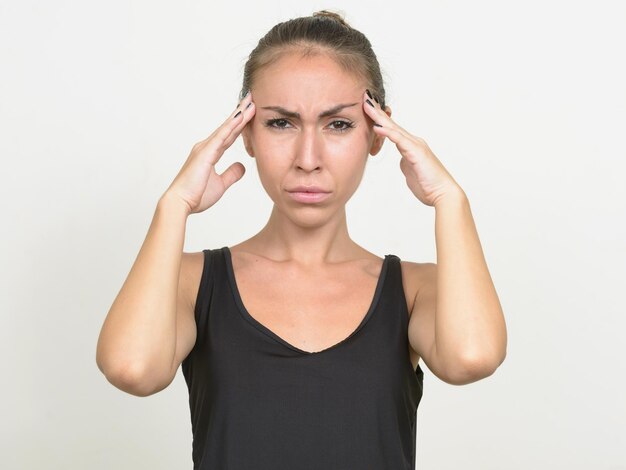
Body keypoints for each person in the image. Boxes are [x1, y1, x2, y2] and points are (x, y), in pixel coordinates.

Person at [96, 10, 507, 470]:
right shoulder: (192, 282)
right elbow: (132, 368)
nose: (307, 158)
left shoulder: (416, 290)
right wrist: (173, 206)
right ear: (245, 133)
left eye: (338, 124)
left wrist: (450, 200)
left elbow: (472, 358)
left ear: (378, 133)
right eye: (280, 123)